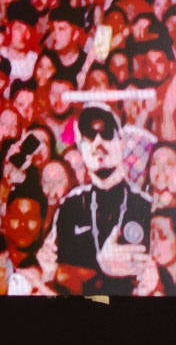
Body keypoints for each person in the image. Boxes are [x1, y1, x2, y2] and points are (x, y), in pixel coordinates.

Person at [49, 103, 155, 296]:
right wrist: (103, 268)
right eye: (90, 136)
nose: (98, 144)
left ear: (120, 142)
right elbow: (62, 275)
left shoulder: (145, 205)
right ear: (81, 148)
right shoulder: (71, 206)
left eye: (106, 135)